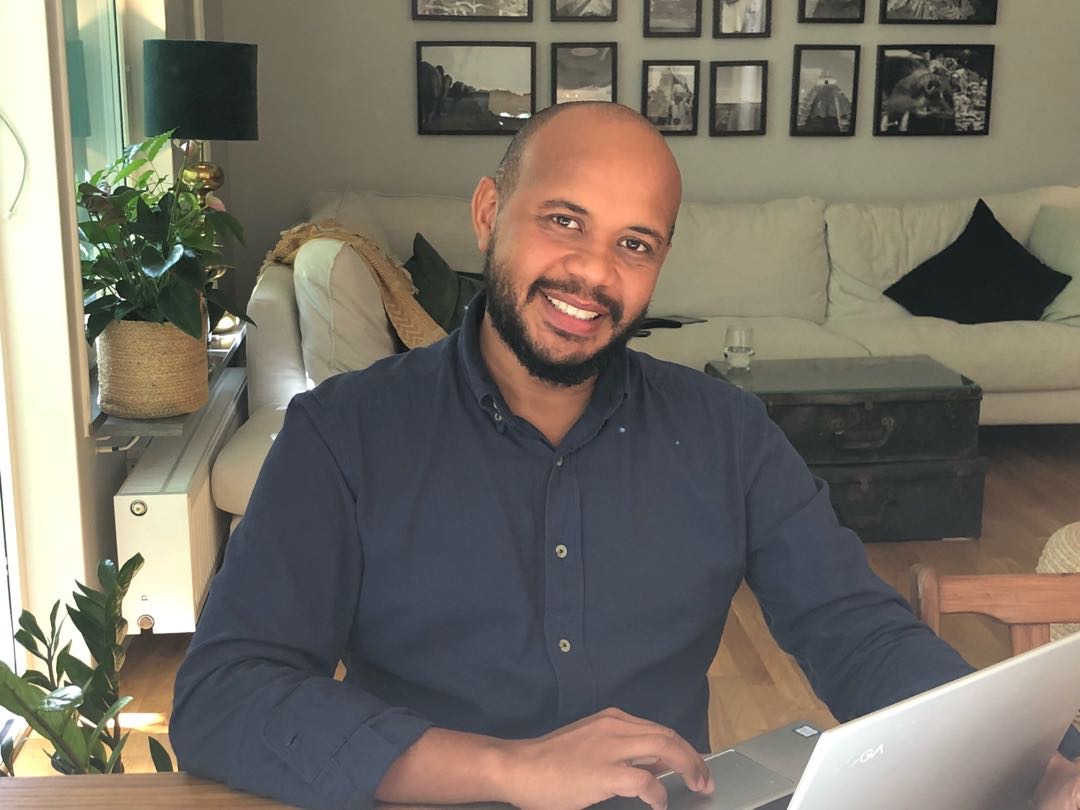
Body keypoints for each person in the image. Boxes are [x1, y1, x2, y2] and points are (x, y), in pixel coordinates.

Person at [170, 102, 1080, 810]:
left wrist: (1033, 758)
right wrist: (509, 768)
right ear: (489, 213)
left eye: (633, 244)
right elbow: (225, 694)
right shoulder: (343, 434)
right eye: (564, 221)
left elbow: (855, 629)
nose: (594, 273)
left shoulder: (726, 433)